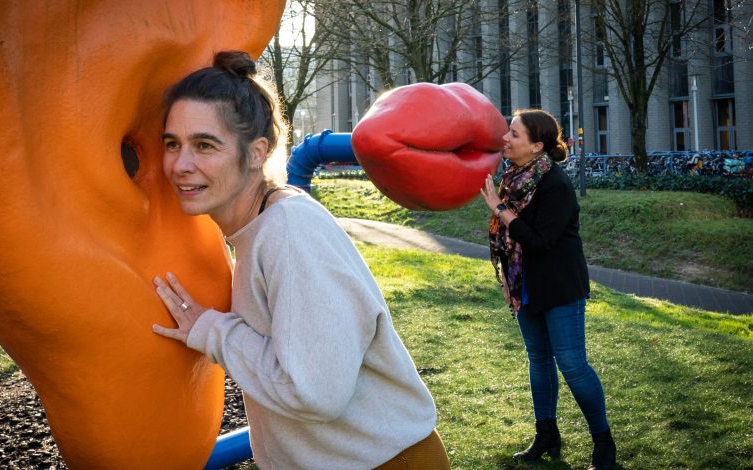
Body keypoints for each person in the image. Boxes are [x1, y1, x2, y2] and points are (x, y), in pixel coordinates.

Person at [150, 50, 450, 470]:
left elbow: (315, 393)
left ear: (256, 153)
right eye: (172, 144)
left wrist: (212, 330)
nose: (181, 164)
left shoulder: (288, 231)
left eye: (204, 145)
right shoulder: (257, 229)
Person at [480, 109, 616, 470]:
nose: (505, 139)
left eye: (514, 134)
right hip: (524, 285)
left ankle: (603, 443)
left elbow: (540, 242)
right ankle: (546, 435)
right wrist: (502, 207)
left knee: (572, 364)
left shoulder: (554, 184)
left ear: (537, 145)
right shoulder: (513, 177)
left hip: (558, 287)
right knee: (538, 361)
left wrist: (501, 211)